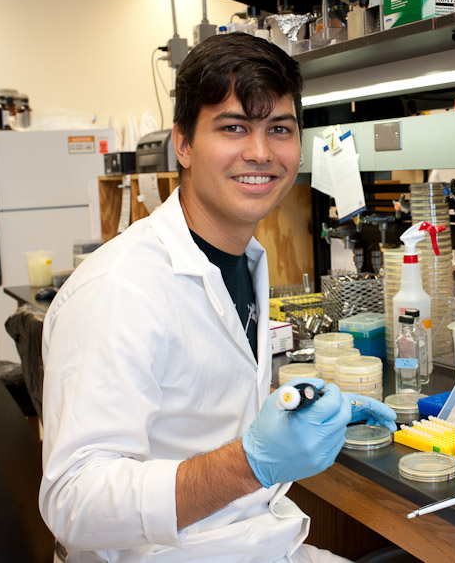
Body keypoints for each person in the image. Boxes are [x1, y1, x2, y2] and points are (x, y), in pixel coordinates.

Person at [39, 32, 396, 563]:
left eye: (280, 129)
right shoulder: (118, 290)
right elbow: (74, 503)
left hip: (252, 540)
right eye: (233, 127)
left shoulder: (242, 258)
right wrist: (251, 462)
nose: (260, 152)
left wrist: (306, 417)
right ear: (182, 144)